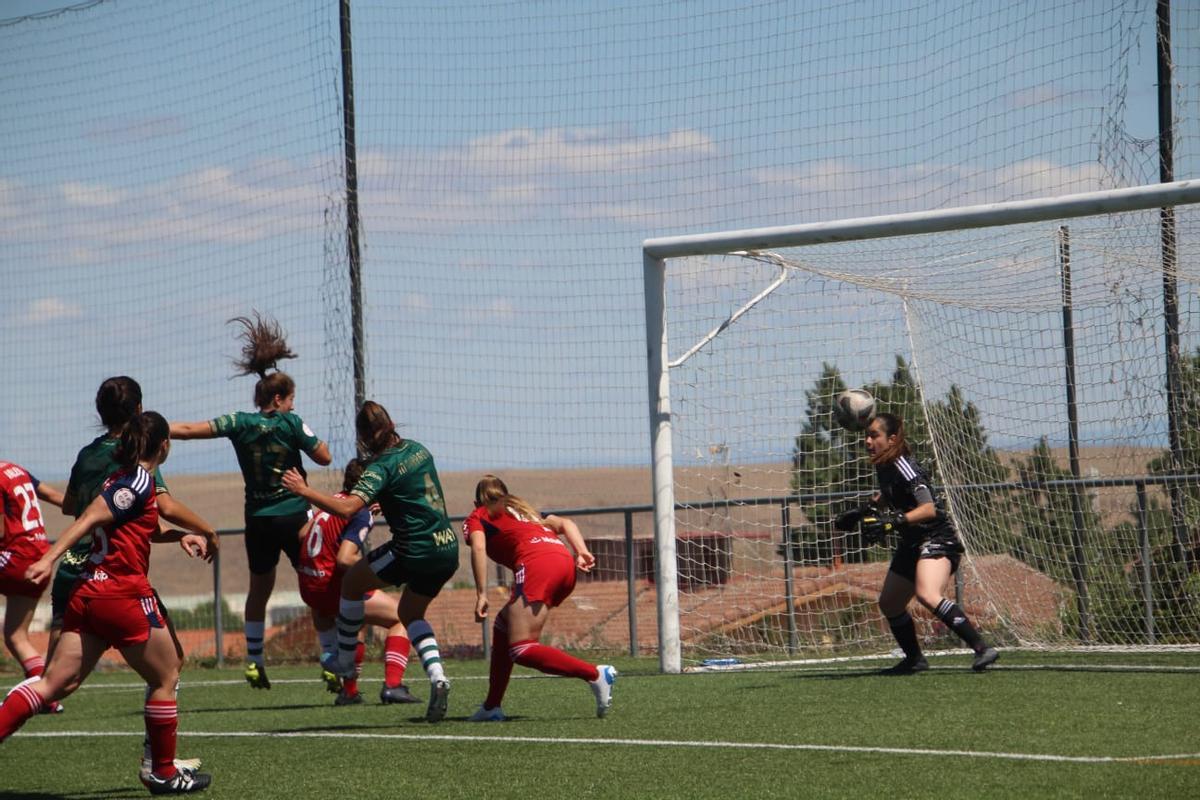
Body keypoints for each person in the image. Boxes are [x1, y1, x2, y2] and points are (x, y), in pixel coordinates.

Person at [0, 412, 214, 795]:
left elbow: (136, 527)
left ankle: (160, 766)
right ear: (165, 446)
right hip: (121, 594)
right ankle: (161, 771)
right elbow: (88, 518)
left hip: (88, 596)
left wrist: (181, 535)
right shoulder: (137, 481)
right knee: (166, 675)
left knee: (52, 684)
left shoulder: (123, 479)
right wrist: (48, 558)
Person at [56, 375, 219, 781]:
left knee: (57, 684)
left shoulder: (87, 454)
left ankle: (160, 761)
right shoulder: (135, 454)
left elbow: (72, 507)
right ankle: (158, 763)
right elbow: (162, 504)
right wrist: (206, 530)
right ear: (140, 410)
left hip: (75, 572)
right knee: (168, 667)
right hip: (115, 579)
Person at [169, 313, 331, 690]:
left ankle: (255, 660)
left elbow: (191, 431)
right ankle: (328, 660)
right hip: (294, 516)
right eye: (291, 400)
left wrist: (151, 424)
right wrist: (303, 433)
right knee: (317, 584)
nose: (293, 406)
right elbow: (323, 456)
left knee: (260, 589)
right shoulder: (292, 423)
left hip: (257, 520)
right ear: (279, 398)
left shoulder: (239, 422)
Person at [282, 400, 456, 723]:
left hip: (412, 548)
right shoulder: (419, 449)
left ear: (363, 437)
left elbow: (349, 509)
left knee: (352, 582)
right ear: (391, 424)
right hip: (446, 546)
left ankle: (346, 664)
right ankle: (438, 677)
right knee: (408, 613)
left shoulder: (381, 467)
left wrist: (304, 490)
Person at [836, 412, 999, 674]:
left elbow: (928, 508)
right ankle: (914, 660)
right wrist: (861, 511)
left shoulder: (904, 465)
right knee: (889, 603)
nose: (867, 440)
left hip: (936, 538)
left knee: (927, 594)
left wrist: (892, 523)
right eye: (866, 435)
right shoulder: (884, 464)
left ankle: (982, 648)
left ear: (891, 440)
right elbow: (891, 495)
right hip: (912, 542)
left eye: (874, 435)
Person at [463, 475, 616, 721]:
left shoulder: (479, 514)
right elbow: (566, 523)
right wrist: (582, 552)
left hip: (537, 564)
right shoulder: (525, 509)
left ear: (476, 501)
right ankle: (492, 707)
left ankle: (595, 674)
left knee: (521, 648)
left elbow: (478, 547)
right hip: (563, 562)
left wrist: (481, 593)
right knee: (504, 626)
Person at [297, 458, 418, 707]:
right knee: (403, 617)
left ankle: (349, 691)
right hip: (332, 589)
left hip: (310, 588)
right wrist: (378, 572)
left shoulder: (334, 502)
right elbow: (344, 559)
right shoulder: (360, 513)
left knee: (357, 619)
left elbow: (301, 534)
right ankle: (393, 685)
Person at [0, 460, 64, 693]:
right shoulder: (14, 469)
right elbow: (54, 496)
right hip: (39, 559)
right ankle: (44, 696)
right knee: (15, 636)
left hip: (16, 558)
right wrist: (86, 512)